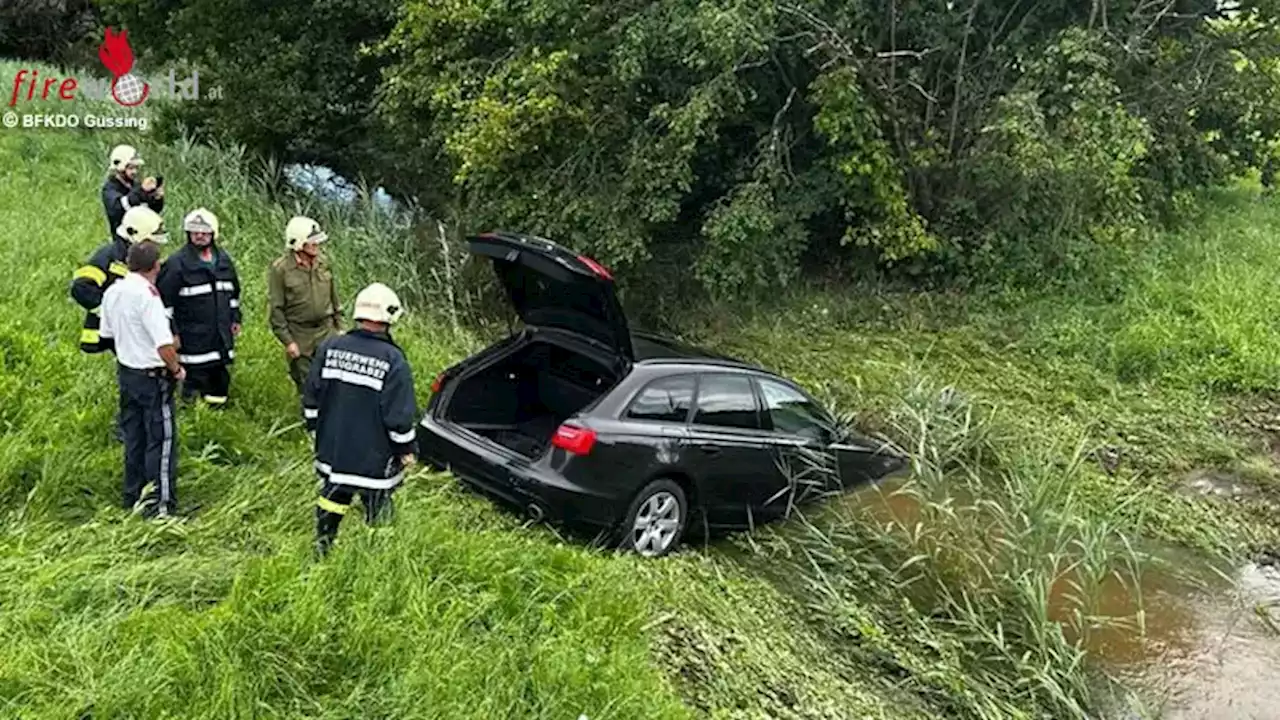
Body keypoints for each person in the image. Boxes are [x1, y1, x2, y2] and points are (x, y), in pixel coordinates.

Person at [303, 283, 418, 555]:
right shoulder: (393, 359)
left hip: (334, 449)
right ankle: (378, 558)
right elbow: (399, 417)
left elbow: (311, 396)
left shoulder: (331, 346)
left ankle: (323, 547)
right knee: (378, 505)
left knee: (333, 497)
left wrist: (314, 430)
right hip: (373, 458)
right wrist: (406, 450)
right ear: (388, 317)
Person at [99, 237, 185, 519]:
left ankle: (132, 495)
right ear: (156, 266)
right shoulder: (148, 296)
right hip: (153, 376)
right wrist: (176, 369)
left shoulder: (114, 291)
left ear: (128, 263)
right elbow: (163, 345)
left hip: (127, 373)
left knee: (133, 437)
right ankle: (160, 507)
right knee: (161, 442)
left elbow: (106, 335)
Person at [71, 205, 167, 441]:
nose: (156, 246)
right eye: (152, 240)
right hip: (118, 331)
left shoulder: (139, 258)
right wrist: (110, 313)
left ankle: (133, 426)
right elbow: (80, 288)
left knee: (137, 373)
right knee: (135, 373)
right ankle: (129, 428)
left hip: (134, 328)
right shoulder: (107, 256)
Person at [158, 208, 242, 407]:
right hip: (192, 341)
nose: (200, 236)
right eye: (195, 232)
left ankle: (218, 417)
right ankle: (193, 414)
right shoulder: (177, 264)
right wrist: (172, 333)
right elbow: (164, 305)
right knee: (193, 385)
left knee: (219, 381)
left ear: (213, 233)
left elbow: (233, 294)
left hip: (219, 338)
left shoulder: (224, 262)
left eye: (204, 232)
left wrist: (235, 318)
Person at [268, 215, 343, 394]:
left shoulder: (324, 263)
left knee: (332, 381)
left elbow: (335, 298)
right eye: (312, 242)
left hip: (327, 330)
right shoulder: (281, 269)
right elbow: (276, 308)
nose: (317, 245)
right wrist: (289, 342)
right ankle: (310, 418)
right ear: (299, 243)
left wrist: (340, 328)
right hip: (300, 334)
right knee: (308, 384)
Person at [102, 145, 165, 238]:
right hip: (123, 240)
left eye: (136, 168)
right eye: (131, 168)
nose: (134, 172)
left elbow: (150, 211)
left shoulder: (135, 185)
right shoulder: (110, 189)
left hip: (141, 238)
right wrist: (141, 191)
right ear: (120, 168)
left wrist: (156, 198)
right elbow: (119, 207)